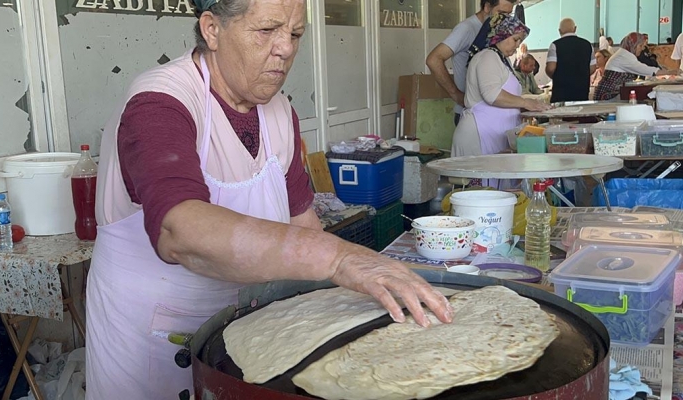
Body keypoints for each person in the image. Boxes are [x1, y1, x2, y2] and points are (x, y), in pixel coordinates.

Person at [85, 0, 454, 397]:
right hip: (153, 335)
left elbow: (302, 222)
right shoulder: (159, 103)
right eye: (266, 31)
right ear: (212, 29)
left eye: (295, 34)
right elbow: (180, 231)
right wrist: (339, 258)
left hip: (245, 329)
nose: (286, 48)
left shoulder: (278, 113)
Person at [452, 14, 549, 163]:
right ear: (501, 34)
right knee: (481, 177)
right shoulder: (487, 57)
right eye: (515, 39)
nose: (518, 45)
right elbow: (492, 95)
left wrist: (527, 108)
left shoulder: (501, 59)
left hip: (492, 136)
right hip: (478, 136)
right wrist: (525, 102)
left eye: (520, 41)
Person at [425, 0, 515, 125]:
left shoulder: (495, 31)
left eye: (509, 14)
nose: (505, 19)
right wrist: (456, 95)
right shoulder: (467, 29)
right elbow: (434, 59)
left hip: (492, 112)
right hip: (472, 114)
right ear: (487, 7)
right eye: (501, 13)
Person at [594, 32, 679, 100]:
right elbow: (644, 69)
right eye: (640, 46)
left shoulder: (626, 54)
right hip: (607, 95)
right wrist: (670, 72)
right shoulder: (623, 56)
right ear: (633, 45)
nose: (642, 49)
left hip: (613, 93)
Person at [546, 18, 596, 103]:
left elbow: (551, 68)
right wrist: (580, 75)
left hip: (561, 92)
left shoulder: (555, 45)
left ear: (559, 31)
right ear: (575, 28)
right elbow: (592, 68)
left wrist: (557, 76)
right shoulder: (588, 45)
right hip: (582, 91)